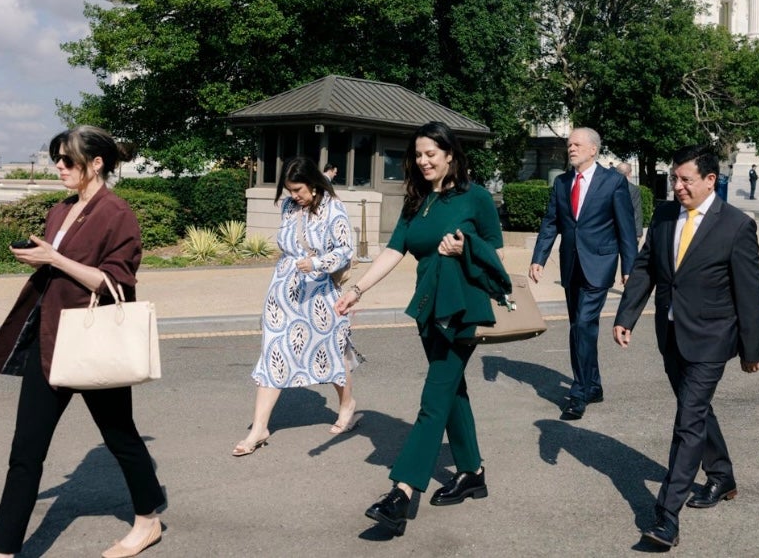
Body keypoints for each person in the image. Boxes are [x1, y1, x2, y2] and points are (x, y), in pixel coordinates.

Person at [0, 126, 164, 558]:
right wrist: (40, 257)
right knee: (25, 451)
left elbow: (114, 281)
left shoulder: (117, 212)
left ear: (96, 163)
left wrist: (54, 257)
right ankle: (2, 550)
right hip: (49, 342)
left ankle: (148, 521)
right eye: (57, 159)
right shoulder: (60, 209)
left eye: (67, 160)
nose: (59, 167)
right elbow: (58, 272)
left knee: (120, 436)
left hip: (92, 340)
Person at [334, 122, 511, 537]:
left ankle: (401, 492)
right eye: (418, 154)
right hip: (429, 310)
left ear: (451, 153)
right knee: (451, 391)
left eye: (431, 152)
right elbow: (395, 248)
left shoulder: (476, 197)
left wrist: (466, 248)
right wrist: (357, 289)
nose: (423, 160)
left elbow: (497, 256)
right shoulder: (417, 201)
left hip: (462, 312)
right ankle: (472, 472)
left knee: (434, 397)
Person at [613, 144, 759, 551]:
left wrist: (751, 351)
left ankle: (666, 517)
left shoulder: (735, 225)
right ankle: (722, 475)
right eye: (673, 179)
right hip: (671, 333)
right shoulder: (664, 217)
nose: (677, 187)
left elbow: (750, 293)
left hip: (712, 338)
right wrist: (626, 316)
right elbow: (645, 267)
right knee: (695, 408)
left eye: (685, 180)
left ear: (710, 180)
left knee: (687, 420)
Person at [231, 156, 360, 457]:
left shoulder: (334, 208)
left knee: (332, 349)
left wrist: (316, 262)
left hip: (320, 291)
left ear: (314, 184)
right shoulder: (289, 207)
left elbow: (345, 251)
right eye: (289, 190)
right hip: (284, 290)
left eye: (298, 189)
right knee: (273, 350)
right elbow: (288, 243)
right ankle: (259, 428)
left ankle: (347, 404)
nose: (294, 196)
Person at [530, 127, 638, 421]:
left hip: (600, 265)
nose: (571, 149)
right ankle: (594, 385)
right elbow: (551, 222)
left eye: (577, 144)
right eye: (569, 145)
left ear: (593, 150)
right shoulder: (563, 182)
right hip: (571, 265)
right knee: (582, 328)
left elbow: (626, 229)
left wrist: (630, 268)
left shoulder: (613, 182)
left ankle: (578, 391)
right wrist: (539, 257)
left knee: (581, 326)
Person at [616, 161, 644, 243]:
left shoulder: (609, 187)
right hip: (628, 230)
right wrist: (638, 233)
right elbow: (636, 211)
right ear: (630, 173)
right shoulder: (633, 189)